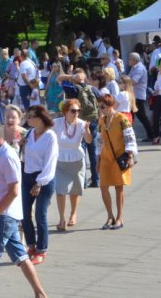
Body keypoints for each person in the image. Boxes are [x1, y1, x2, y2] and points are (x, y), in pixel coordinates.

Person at [0, 121, 47, 298]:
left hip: (3, 216)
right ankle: (40, 293)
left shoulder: (7, 156)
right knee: (21, 256)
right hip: (4, 214)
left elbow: (14, 190)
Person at [22, 106, 58, 265]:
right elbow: (26, 157)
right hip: (27, 176)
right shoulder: (30, 133)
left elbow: (50, 163)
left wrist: (39, 183)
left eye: (31, 117)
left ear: (40, 118)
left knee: (40, 214)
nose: (28, 119)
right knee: (24, 213)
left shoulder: (50, 136)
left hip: (44, 178)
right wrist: (22, 145)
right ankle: (31, 245)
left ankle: (42, 250)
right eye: (27, 116)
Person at [97, 94, 137, 230]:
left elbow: (130, 138)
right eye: (100, 107)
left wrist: (130, 156)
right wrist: (98, 159)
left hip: (119, 157)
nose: (101, 109)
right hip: (105, 158)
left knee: (119, 187)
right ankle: (110, 216)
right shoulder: (102, 121)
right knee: (103, 187)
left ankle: (120, 217)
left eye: (103, 106)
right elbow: (99, 141)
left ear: (111, 105)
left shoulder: (121, 118)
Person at [57, 68, 101, 187]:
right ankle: (96, 179)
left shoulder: (73, 89)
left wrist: (71, 77)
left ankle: (83, 181)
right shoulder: (92, 89)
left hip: (80, 122)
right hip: (93, 121)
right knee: (93, 151)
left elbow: (59, 78)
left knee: (80, 150)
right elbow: (101, 100)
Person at [53, 100, 92, 231]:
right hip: (60, 159)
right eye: (73, 111)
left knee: (75, 190)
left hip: (76, 159)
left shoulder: (81, 124)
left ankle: (73, 214)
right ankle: (62, 218)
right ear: (65, 112)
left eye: (78, 111)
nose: (76, 113)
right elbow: (49, 137)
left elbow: (89, 140)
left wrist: (87, 130)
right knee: (60, 190)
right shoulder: (57, 123)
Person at [127, 53, 154, 142]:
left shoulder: (139, 68)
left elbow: (134, 81)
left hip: (138, 96)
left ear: (135, 60)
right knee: (130, 116)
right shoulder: (134, 68)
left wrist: (123, 80)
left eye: (130, 59)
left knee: (142, 116)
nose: (128, 61)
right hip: (133, 95)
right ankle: (128, 136)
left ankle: (151, 135)